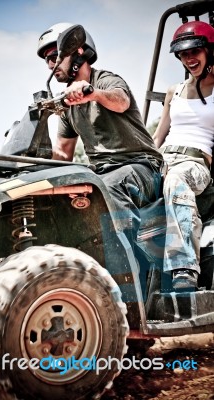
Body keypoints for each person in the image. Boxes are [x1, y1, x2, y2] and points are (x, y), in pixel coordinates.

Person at [37, 22, 163, 249]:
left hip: (143, 168)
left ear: (77, 52)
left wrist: (92, 93)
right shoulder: (68, 105)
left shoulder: (105, 81)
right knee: (60, 197)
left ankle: (127, 266)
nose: (50, 65)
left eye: (54, 56)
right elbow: (62, 155)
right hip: (102, 174)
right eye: (46, 60)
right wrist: (34, 160)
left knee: (109, 187)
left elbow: (121, 101)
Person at [153, 21, 214, 290]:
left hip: (196, 163)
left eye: (195, 52)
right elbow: (158, 137)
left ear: (209, 51)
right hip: (164, 158)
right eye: (183, 54)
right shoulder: (173, 91)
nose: (189, 58)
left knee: (176, 180)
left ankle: (185, 268)